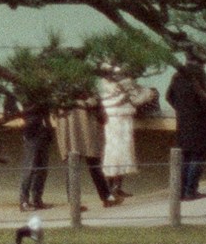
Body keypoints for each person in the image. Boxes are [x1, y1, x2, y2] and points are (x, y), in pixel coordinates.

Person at [167, 57, 206, 200]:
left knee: (186, 156)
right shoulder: (199, 73)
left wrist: (181, 109)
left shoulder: (177, 75)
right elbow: (203, 98)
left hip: (183, 120)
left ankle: (181, 191)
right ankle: (190, 190)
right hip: (200, 120)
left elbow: (168, 96)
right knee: (198, 155)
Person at [99, 73, 145, 204]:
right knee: (113, 155)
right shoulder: (108, 84)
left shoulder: (125, 82)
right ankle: (110, 188)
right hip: (113, 120)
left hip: (123, 119)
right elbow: (107, 100)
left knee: (123, 153)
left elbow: (136, 97)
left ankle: (117, 187)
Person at [61, 92, 112, 207]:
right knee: (85, 164)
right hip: (80, 128)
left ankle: (106, 196)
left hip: (78, 128)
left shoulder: (66, 88)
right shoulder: (71, 88)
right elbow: (93, 101)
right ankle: (106, 197)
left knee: (89, 164)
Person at [17, 99, 55, 209]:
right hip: (31, 132)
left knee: (42, 169)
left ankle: (37, 199)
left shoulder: (45, 93)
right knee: (30, 167)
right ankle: (24, 200)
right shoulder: (28, 92)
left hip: (44, 132)